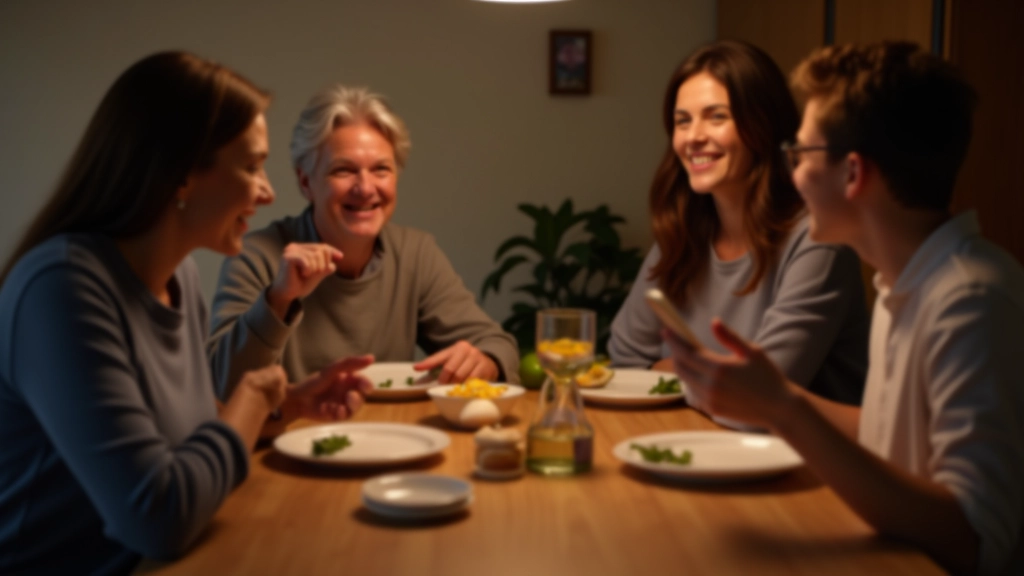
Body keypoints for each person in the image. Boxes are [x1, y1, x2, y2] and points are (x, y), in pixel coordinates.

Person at [0, 52, 371, 574]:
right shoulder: (62, 288)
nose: (267, 192)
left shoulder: (181, 276)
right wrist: (252, 396)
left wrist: (285, 403)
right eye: (251, 166)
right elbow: (158, 517)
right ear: (179, 175)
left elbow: (192, 437)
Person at [665, 42, 1024, 575]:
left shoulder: (970, 298)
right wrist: (771, 396)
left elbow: (975, 540)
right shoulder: (904, 281)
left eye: (800, 155)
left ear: (853, 174)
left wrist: (784, 408)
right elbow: (889, 430)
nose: (790, 174)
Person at [207, 85, 519, 399]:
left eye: (381, 169)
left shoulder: (415, 254)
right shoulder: (257, 256)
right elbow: (222, 384)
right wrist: (278, 300)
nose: (365, 188)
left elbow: (496, 344)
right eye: (344, 170)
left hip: (395, 439)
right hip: (289, 440)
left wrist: (486, 362)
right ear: (306, 182)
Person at [609, 40, 869, 409]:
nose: (694, 136)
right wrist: (712, 377)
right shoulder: (684, 231)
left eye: (717, 116)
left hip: (800, 463)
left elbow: (757, 401)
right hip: (697, 440)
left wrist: (666, 369)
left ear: (762, 125)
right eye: (683, 121)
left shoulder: (817, 239)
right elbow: (624, 361)